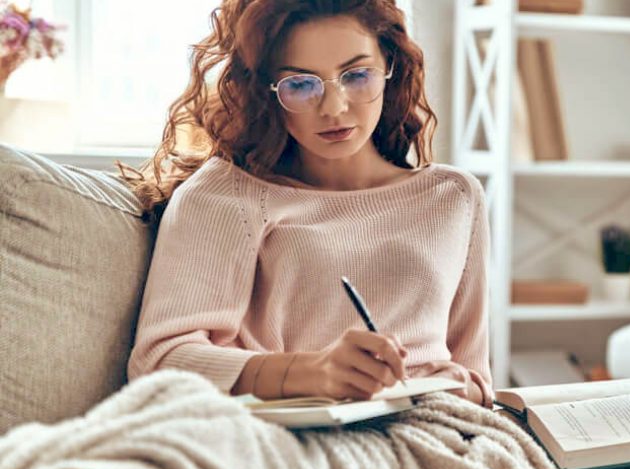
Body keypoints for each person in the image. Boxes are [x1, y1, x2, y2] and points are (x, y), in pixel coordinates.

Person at [120, 0, 492, 408]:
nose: (333, 108)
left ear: (391, 67)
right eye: (300, 84)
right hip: (295, 432)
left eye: (356, 75)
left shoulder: (454, 197)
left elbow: (475, 378)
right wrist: (315, 374)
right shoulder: (225, 194)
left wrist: (462, 388)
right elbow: (159, 362)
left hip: (436, 425)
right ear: (266, 91)